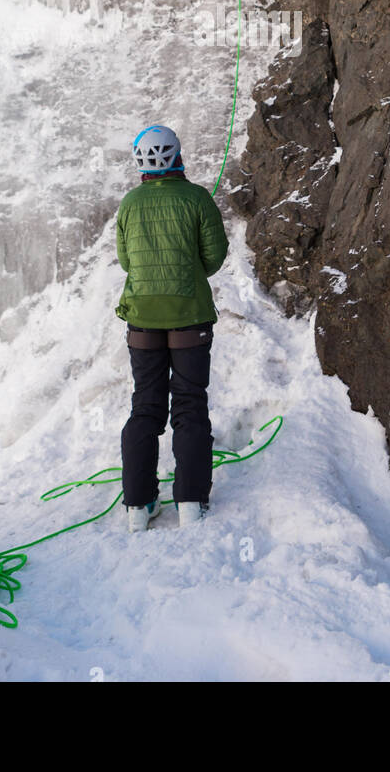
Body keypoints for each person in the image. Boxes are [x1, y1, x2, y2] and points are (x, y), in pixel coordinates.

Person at [116, 124, 229, 531]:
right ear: (177, 155)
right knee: (189, 405)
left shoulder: (130, 204)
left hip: (142, 319)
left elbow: (128, 262)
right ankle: (191, 503)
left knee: (144, 407)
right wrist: (189, 274)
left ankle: (138, 507)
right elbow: (214, 257)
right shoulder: (198, 199)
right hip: (189, 318)